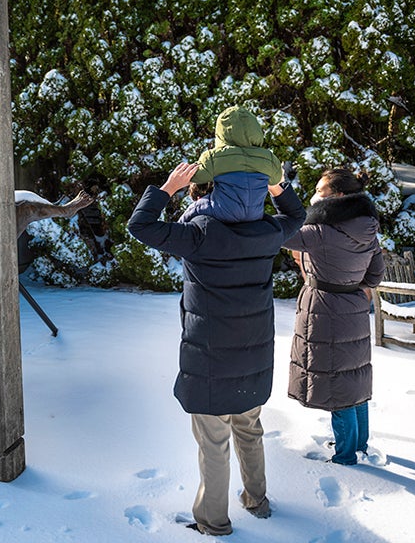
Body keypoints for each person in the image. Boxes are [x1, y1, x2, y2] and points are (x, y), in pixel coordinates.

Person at [127, 162, 305, 536]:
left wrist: (168, 187)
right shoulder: (268, 231)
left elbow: (140, 226)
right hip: (253, 358)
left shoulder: (198, 235)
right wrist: (277, 184)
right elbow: (297, 214)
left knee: (213, 443)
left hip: (209, 361)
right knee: (250, 429)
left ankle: (213, 522)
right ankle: (257, 500)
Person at [283, 168, 385, 466]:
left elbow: (281, 234)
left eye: (320, 191)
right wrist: (354, 287)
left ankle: (345, 456)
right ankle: (360, 443)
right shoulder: (367, 228)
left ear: (338, 196)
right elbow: (376, 274)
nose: (315, 196)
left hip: (325, 309)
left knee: (336, 385)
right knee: (354, 378)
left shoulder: (320, 232)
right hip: (353, 307)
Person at [180, 106, 282, 224]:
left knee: (194, 208)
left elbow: (196, 177)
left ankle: (176, 236)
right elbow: (276, 179)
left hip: (224, 211)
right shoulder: (269, 158)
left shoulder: (214, 157)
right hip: (255, 215)